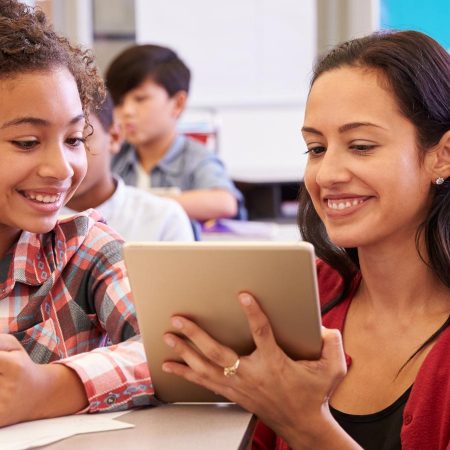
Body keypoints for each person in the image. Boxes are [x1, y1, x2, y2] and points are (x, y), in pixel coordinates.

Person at [159, 30, 450, 450]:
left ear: (441, 155)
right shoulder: (303, 293)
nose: (326, 175)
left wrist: (304, 424)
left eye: (361, 146)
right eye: (315, 148)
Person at [0, 0, 156, 426]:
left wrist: (47, 388)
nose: (62, 168)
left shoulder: (85, 249)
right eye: (27, 142)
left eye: (73, 138)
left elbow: (172, 352)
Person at [104, 44, 247, 222]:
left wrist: (143, 204)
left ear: (178, 104)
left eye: (140, 99)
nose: (126, 111)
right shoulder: (113, 156)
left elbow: (225, 202)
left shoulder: (195, 158)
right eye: (119, 102)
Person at [61, 92, 195, 242]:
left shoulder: (164, 219)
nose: (58, 161)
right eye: (32, 142)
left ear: (114, 136)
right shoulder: (31, 225)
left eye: (74, 140)